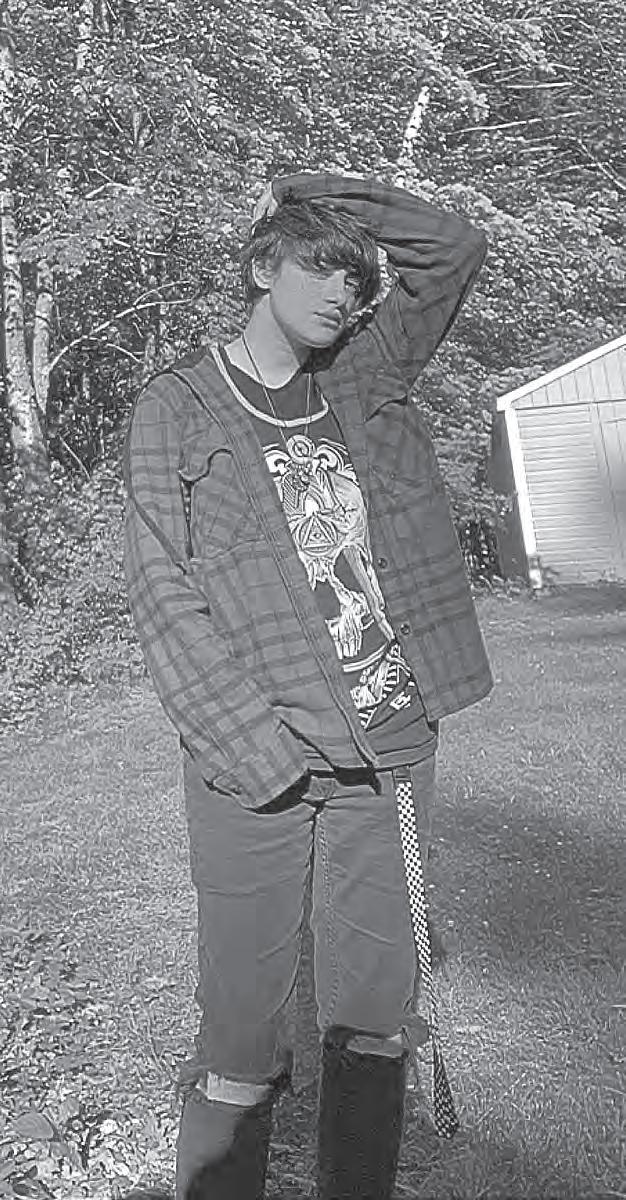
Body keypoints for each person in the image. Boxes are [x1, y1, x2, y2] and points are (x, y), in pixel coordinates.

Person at [123, 170, 493, 1200]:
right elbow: (161, 588)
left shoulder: (366, 373)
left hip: (387, 750)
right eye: (319, 266)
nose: (343, 292)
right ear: (260, 266)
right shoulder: (177, 405)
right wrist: (253, 745)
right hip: (256, 761)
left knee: (374, 1015)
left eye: (356, 278)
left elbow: (451, 245)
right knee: (241, 1027)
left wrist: (309, 190)